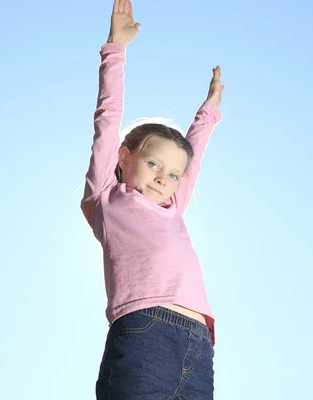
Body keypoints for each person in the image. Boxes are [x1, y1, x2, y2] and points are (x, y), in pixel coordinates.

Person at [80, 0, 224, 398]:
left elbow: (192, 160)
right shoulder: (107, 198)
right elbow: (107, 120)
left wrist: (208, 112)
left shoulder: (173, 207)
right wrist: (116, 50)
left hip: (198, 341)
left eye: (173, 174)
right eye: (154, 164)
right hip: (145, 331)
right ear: (125, 157)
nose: (165, 178)